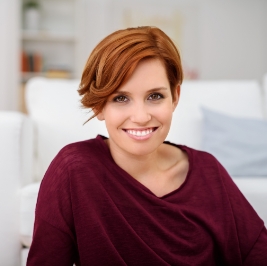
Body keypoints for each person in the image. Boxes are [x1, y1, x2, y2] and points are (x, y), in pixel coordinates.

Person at [27, 26, 267, 266]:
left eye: (155, 96)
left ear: (175, 96)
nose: (140, 116)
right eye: (121, 98)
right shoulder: (73, 170)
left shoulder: (208, 170)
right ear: (99, 106)